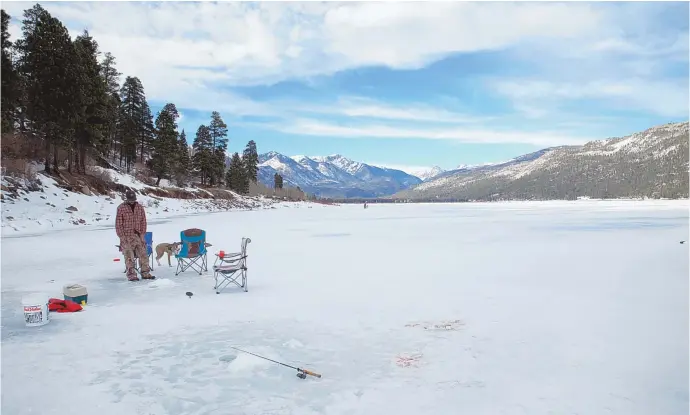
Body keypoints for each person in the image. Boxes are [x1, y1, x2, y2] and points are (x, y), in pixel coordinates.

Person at [116, 189, 155, 281]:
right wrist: (122, 237)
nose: (132, 201)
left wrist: (142, 235)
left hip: (138, 235)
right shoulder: (121, 208)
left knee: (143, 254)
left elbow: (143, 222)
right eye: (130, 199)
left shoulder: (140, 207)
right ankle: (131, 274)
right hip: (126, 236)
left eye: (133, 199)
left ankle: (145, 273)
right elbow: (118, 224)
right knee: (129, 256)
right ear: (127, 199)